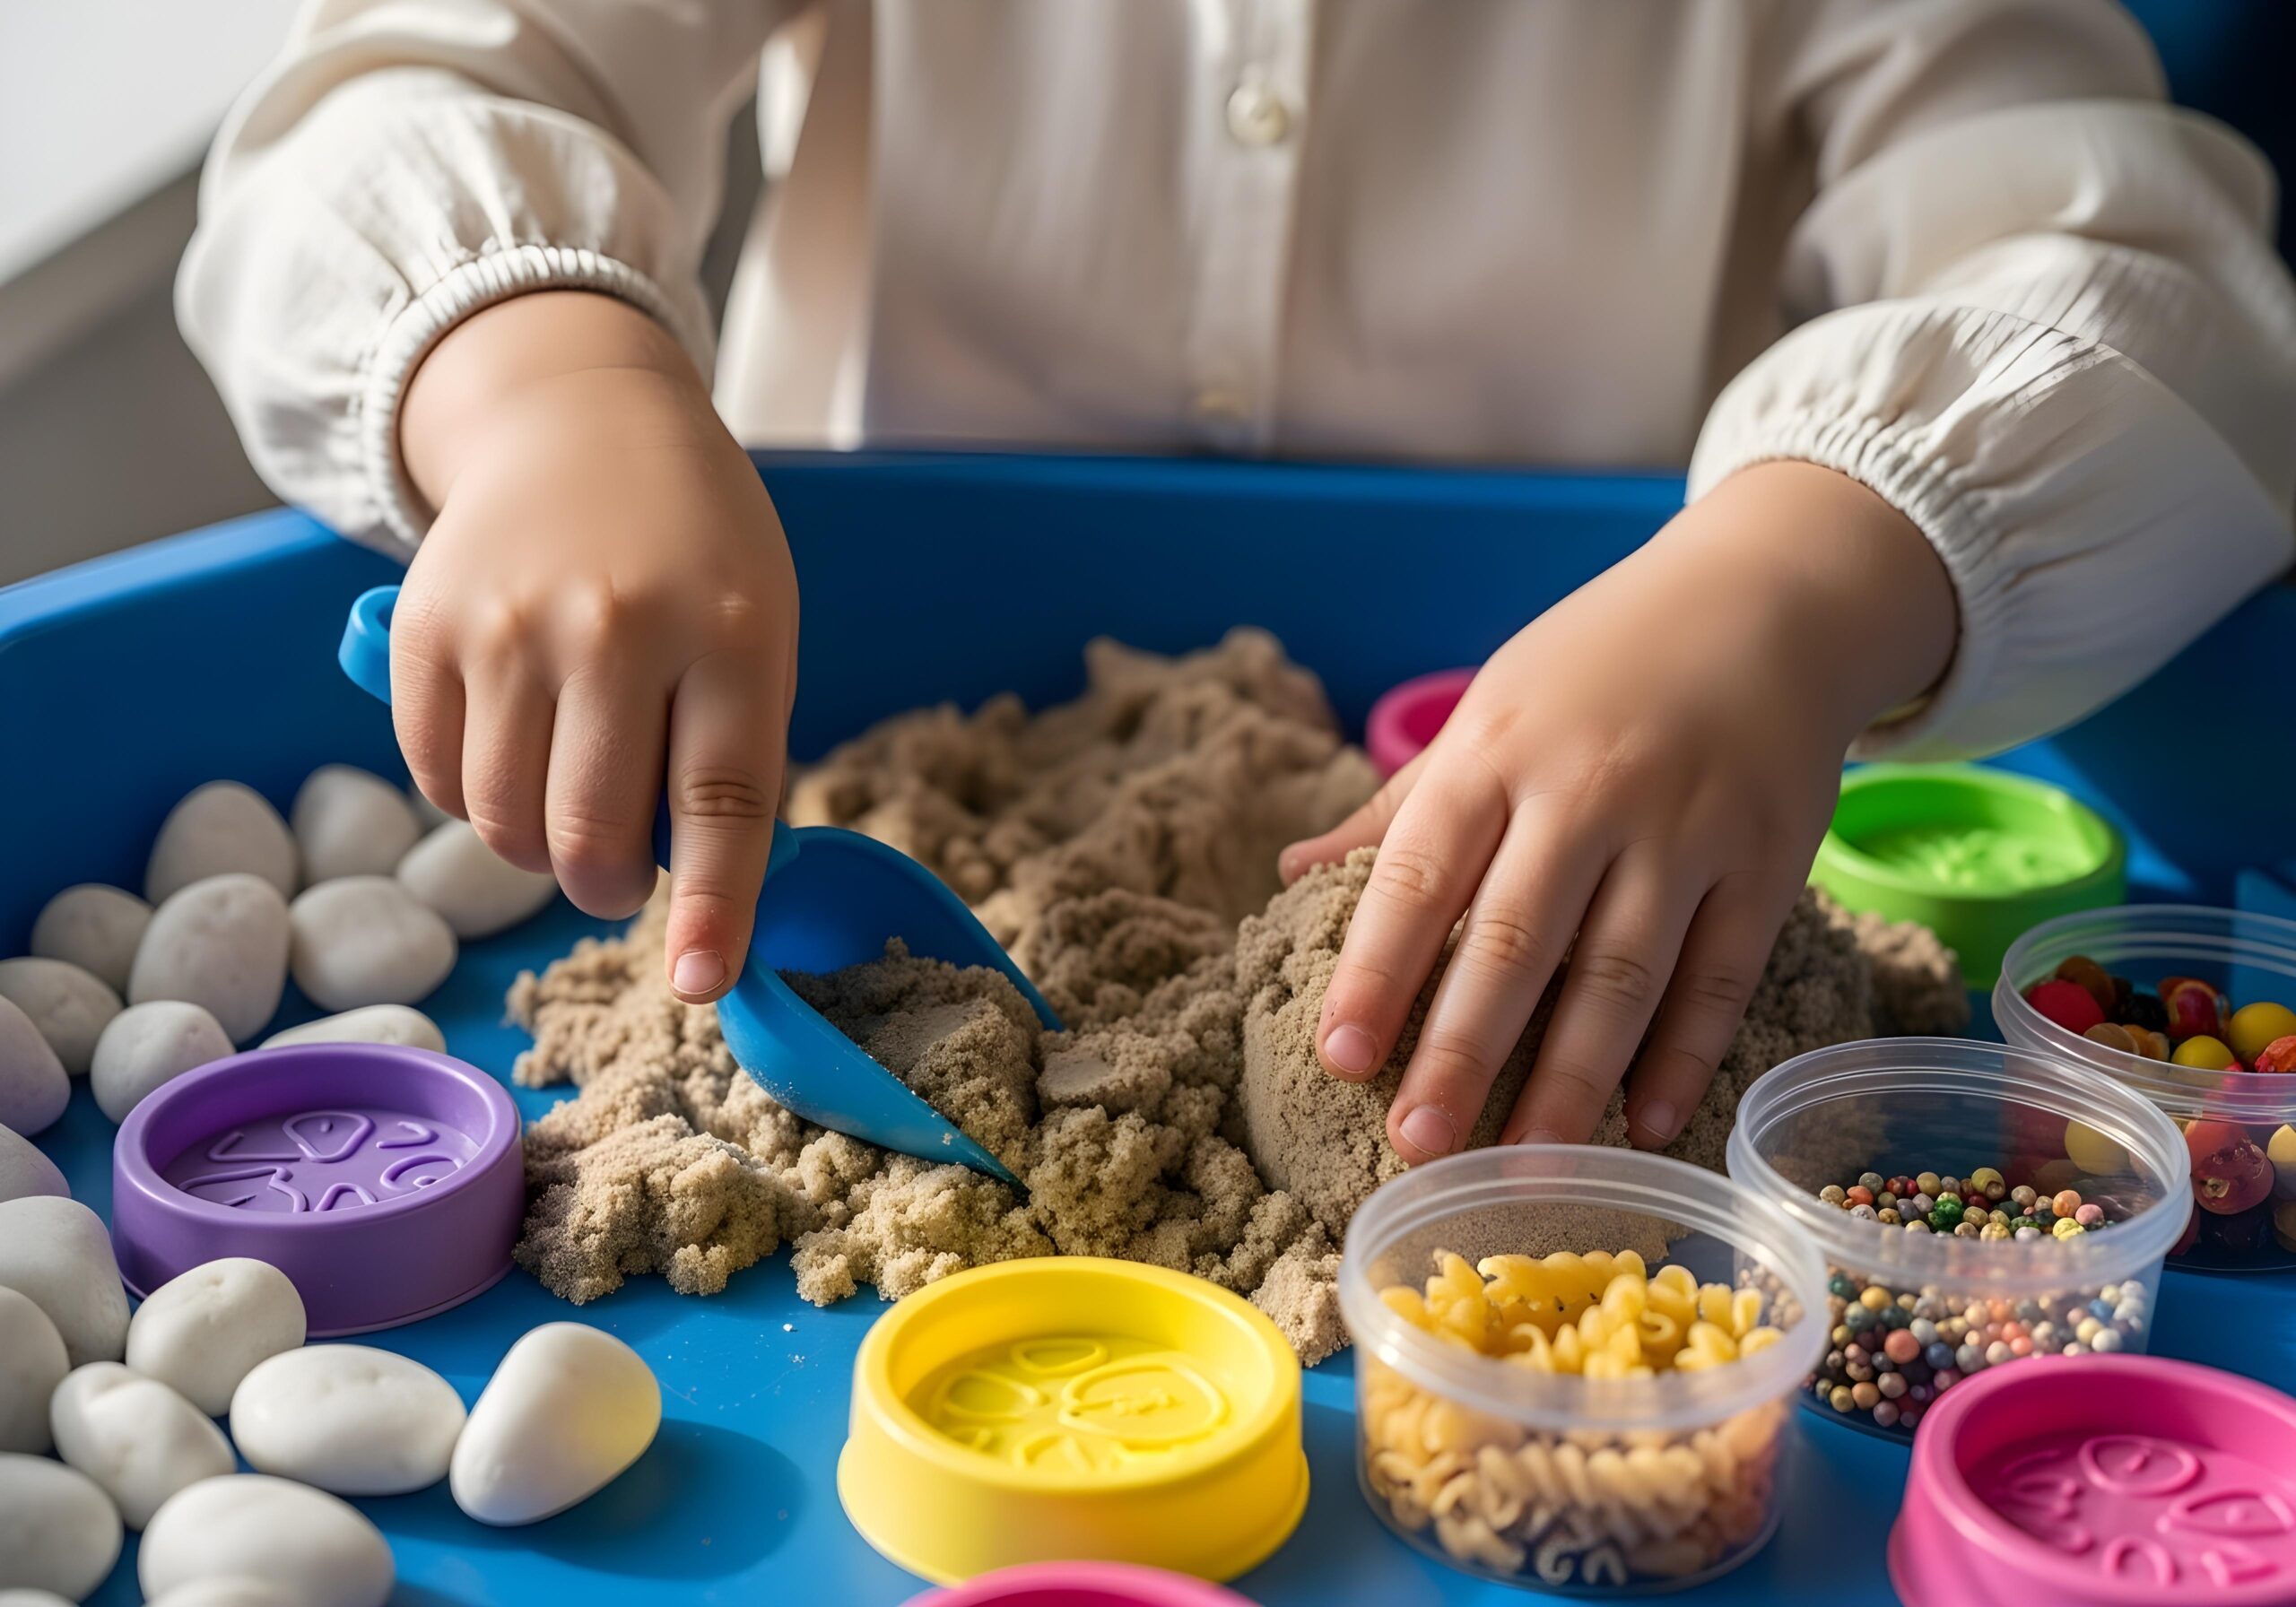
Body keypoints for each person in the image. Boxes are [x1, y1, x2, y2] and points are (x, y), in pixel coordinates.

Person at [180, 1, 2296, 1165]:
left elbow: (2140, 281)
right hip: (852, 677)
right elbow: (414, 73)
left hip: (1614, 726)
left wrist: (1804, 574)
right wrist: (538, 377)